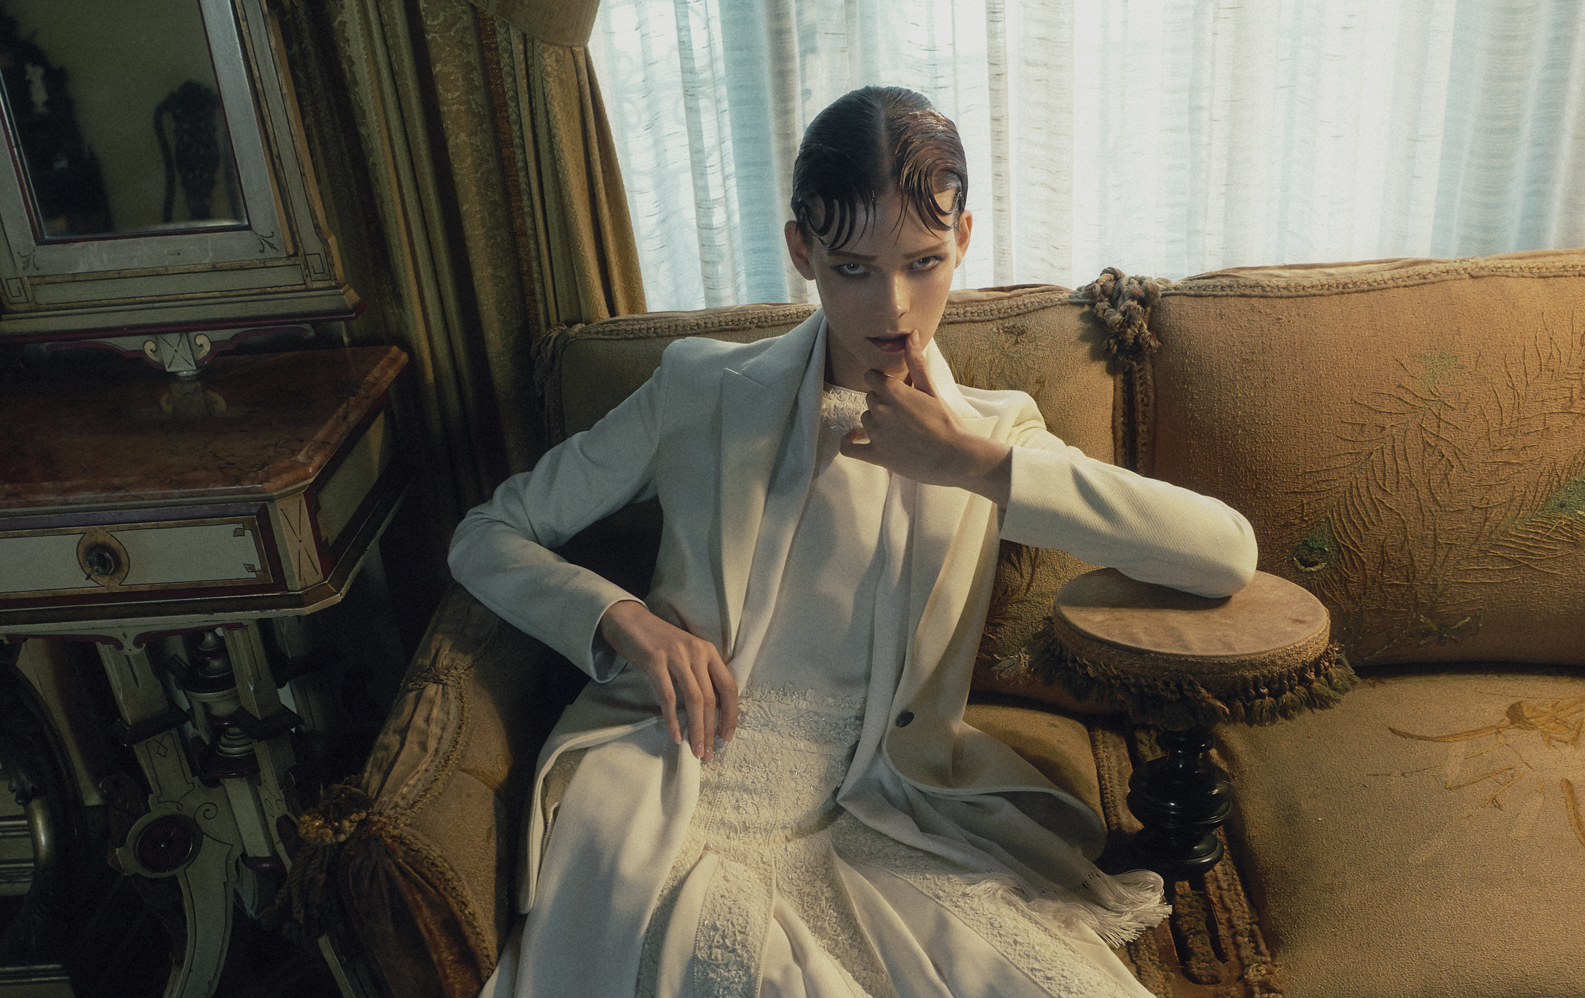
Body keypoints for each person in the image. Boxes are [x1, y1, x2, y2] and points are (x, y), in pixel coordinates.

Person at [452, 86, 1257, 998]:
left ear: (962, 239)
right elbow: (487, 533)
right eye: (853, 268)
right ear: (802, 250)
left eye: (923, 262)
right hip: (676, 788)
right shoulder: (698, 389)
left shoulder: (994, 431)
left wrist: (974, 465)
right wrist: (623, 621)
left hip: (883, 808)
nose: (894, 306)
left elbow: (1223, 551)